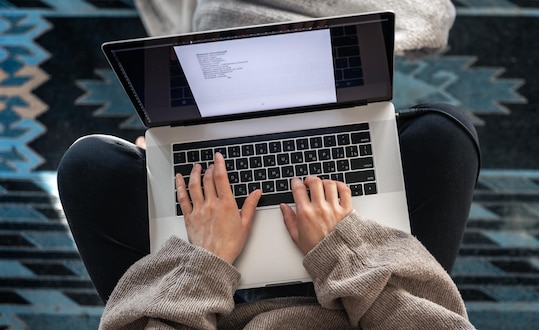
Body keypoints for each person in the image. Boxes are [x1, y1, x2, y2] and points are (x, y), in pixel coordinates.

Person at [57, 103, 480, 329]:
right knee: (444, 134)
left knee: (91, 167)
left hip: (213, 310)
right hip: (356, 307)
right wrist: (344, 253)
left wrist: (204, 261)